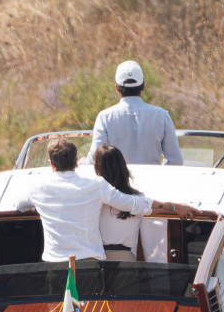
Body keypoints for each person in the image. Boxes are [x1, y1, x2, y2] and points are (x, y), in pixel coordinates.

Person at [15, 138, 195, 262]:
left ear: (51, 164)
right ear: (76, 161)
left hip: (55, 261)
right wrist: (174, 207)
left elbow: (19, 205)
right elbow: (134, 204)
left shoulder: (37, 187)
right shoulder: (96, 186)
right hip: (89, 261)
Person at [93, 143, 197, 261]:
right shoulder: (136, 197)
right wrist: (176, 207)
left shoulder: (93, 197)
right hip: (125, 258)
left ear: (98, 169)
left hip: (97, 257)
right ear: (122, 166)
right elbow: (151, 208)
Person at [85, 60, 183, 166]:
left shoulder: (104, 117)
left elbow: (95, 159)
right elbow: (175, 160)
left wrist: (79, 164)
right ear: (143, 86)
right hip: (152, 181)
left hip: (116, 182)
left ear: (116, 87)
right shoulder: (162, 115)